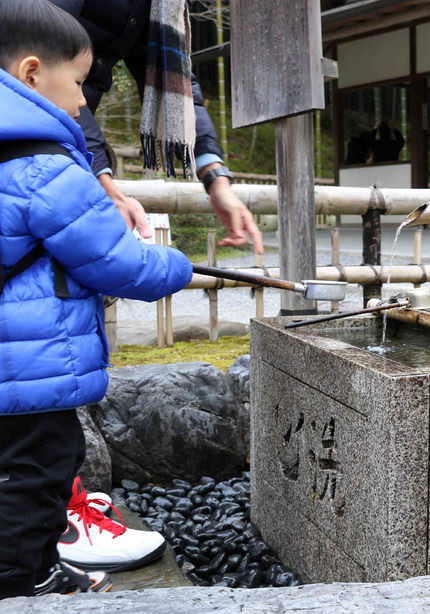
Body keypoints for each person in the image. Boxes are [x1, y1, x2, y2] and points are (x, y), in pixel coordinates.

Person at [0, 0, 193, 598]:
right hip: (30, 373)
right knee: (38, 475)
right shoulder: (44, 169)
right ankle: (20, 584)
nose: (84, 102)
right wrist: (177, 264)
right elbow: (121, 263)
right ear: (32, 73)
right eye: (79, 82)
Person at [51, 0, 263, 255]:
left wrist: (216, 179)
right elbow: (46, 60)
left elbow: (174, 79)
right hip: (31, 125)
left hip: (70, 135)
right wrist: (103, 181)